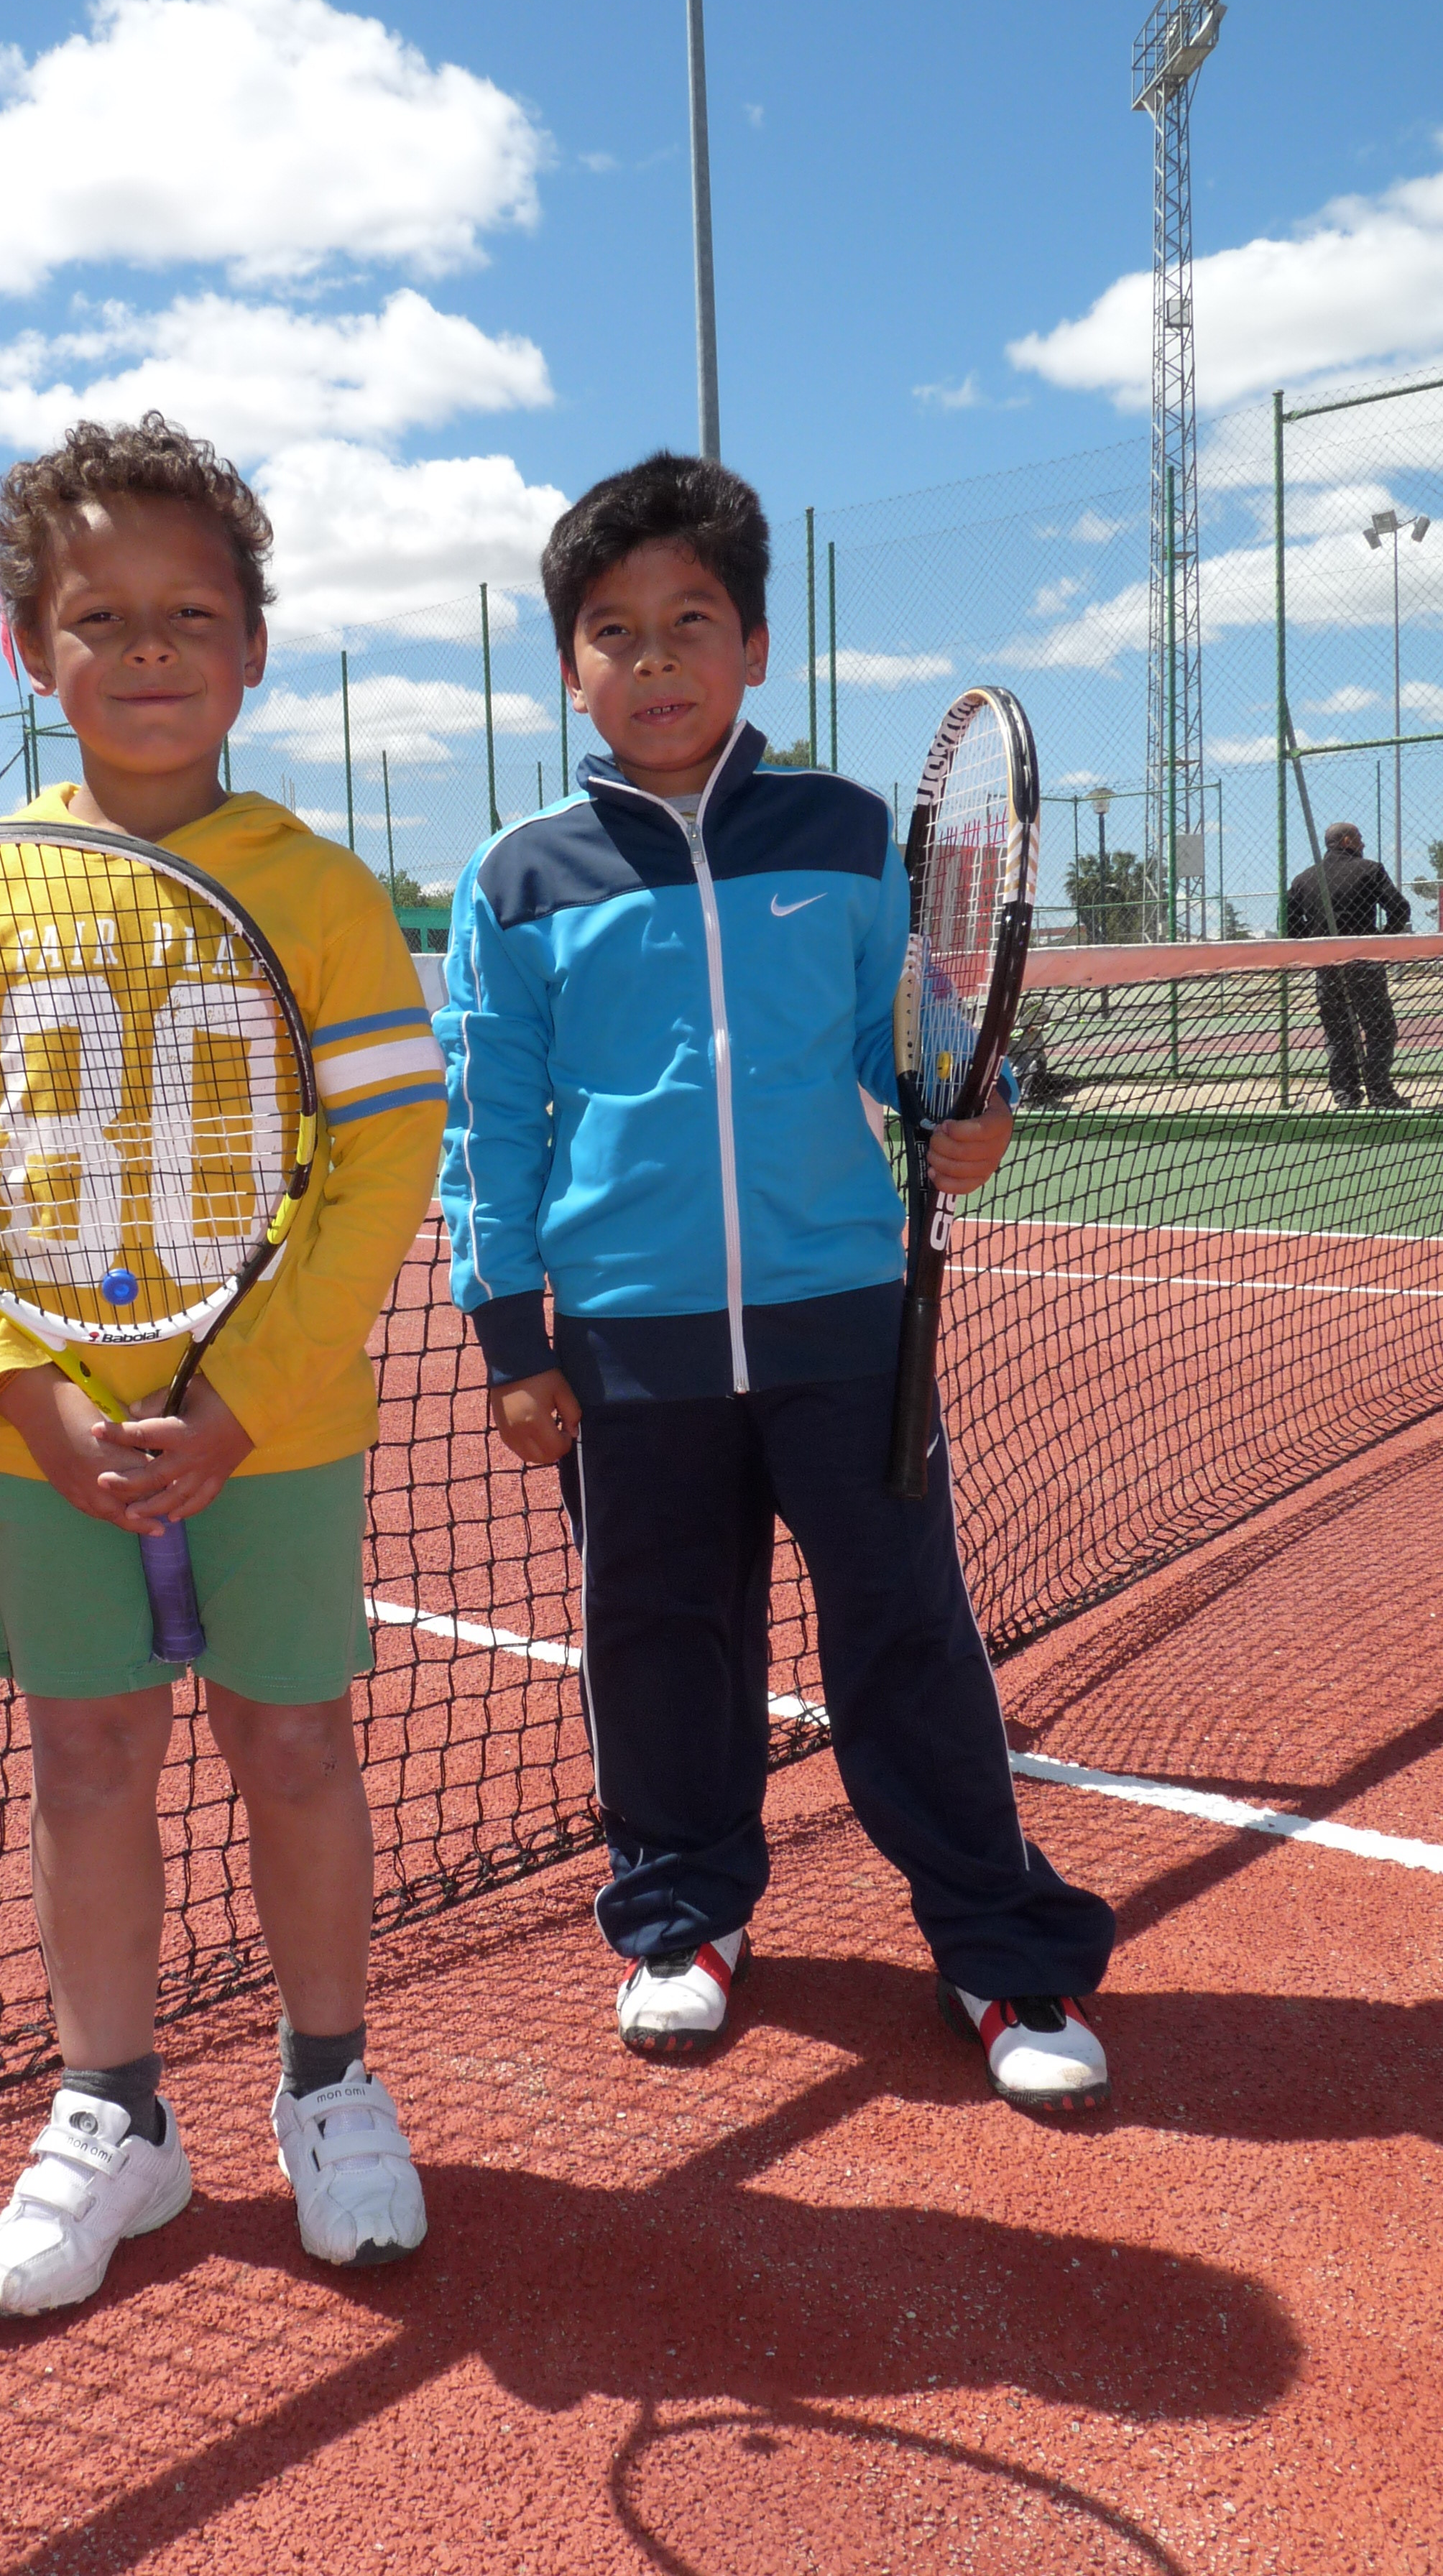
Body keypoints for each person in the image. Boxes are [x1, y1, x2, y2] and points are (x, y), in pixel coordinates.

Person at [435, 452, 1116, 2113]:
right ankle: (681, 1920)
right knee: (658, 1643)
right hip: (624, 1348)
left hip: (845, 1330)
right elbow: (490, 1123)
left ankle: (995, 1942)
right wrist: (510, 1336)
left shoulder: (844, 833)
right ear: (569, 668)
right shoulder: (516, 878)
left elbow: (911, 1040)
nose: (654, 659)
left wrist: (965, 1114)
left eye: (691, 622)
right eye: (612, 630)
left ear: (753, 646)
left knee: (907, 1638)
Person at [0, 415, 446, 2312]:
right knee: (88, 1758)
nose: (148, 648)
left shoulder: (325, 891)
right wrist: (25, 1392)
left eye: (190, 612)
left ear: (254, 647)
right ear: (31, 651)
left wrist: (239, 1400)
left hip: (280, 1432)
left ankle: (329, 2086)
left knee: (297, 1741)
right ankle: (115, 2118)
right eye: (97, 616)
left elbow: (387, 1163)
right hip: (46, 1436)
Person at [1283, 823, 1414, 1109]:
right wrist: (1380, 939)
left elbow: (1290, 925)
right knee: (1380, 1029)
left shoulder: (1304, 879)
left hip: (1326, 966)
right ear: (1346, 841)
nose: (1363, 844)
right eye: (1359, 838)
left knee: (1338, 1032)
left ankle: (1346, 1096)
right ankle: (1379, 1091)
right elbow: (1400, 909)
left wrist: (1315, 943)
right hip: (1364, 963)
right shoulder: (1370, 870)